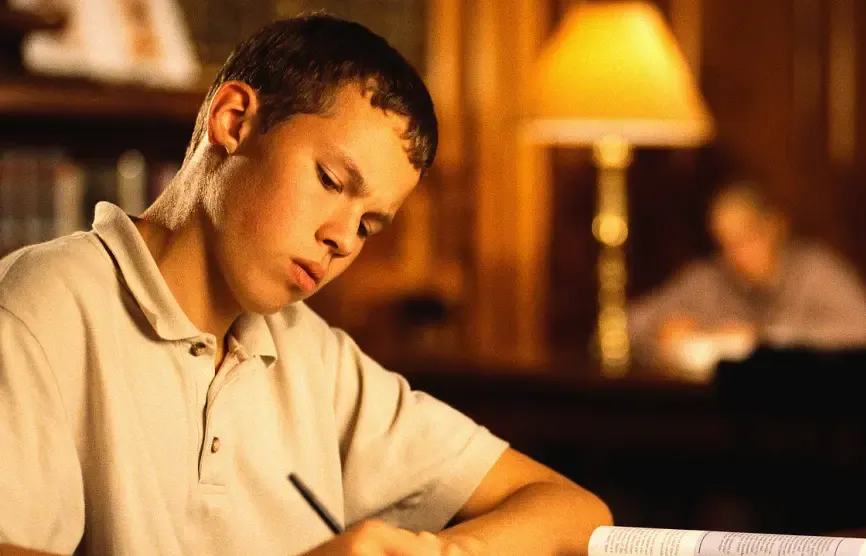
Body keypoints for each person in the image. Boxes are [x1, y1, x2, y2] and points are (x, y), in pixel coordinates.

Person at [0, 14, 611, 556]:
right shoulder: (39, 306)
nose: (345, 239)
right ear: (234, 121)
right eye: (331, 180)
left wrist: (443, 551)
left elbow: (576, 513)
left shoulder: (313, 358)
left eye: (370, 224)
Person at [627, 180, 866, 371]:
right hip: (723, 412)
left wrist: (766, 340)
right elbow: (628, 324)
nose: (736, 255)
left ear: (774, 227)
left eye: (746, 239)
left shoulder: (815, 271)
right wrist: (661, 329)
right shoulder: (709, 278)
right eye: (726, 243)